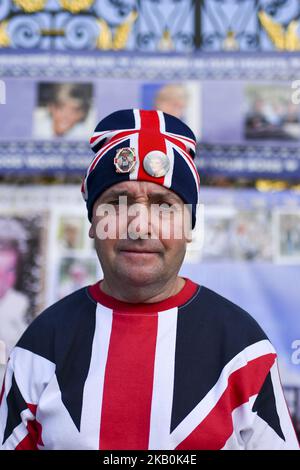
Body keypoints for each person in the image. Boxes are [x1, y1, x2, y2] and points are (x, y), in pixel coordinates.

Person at [0, 109, 299, 450]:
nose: (139, 226)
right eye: (117, 203)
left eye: (163, 206)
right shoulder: (41, 347)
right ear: (93, 224)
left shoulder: (243, 351)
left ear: (189, 227)